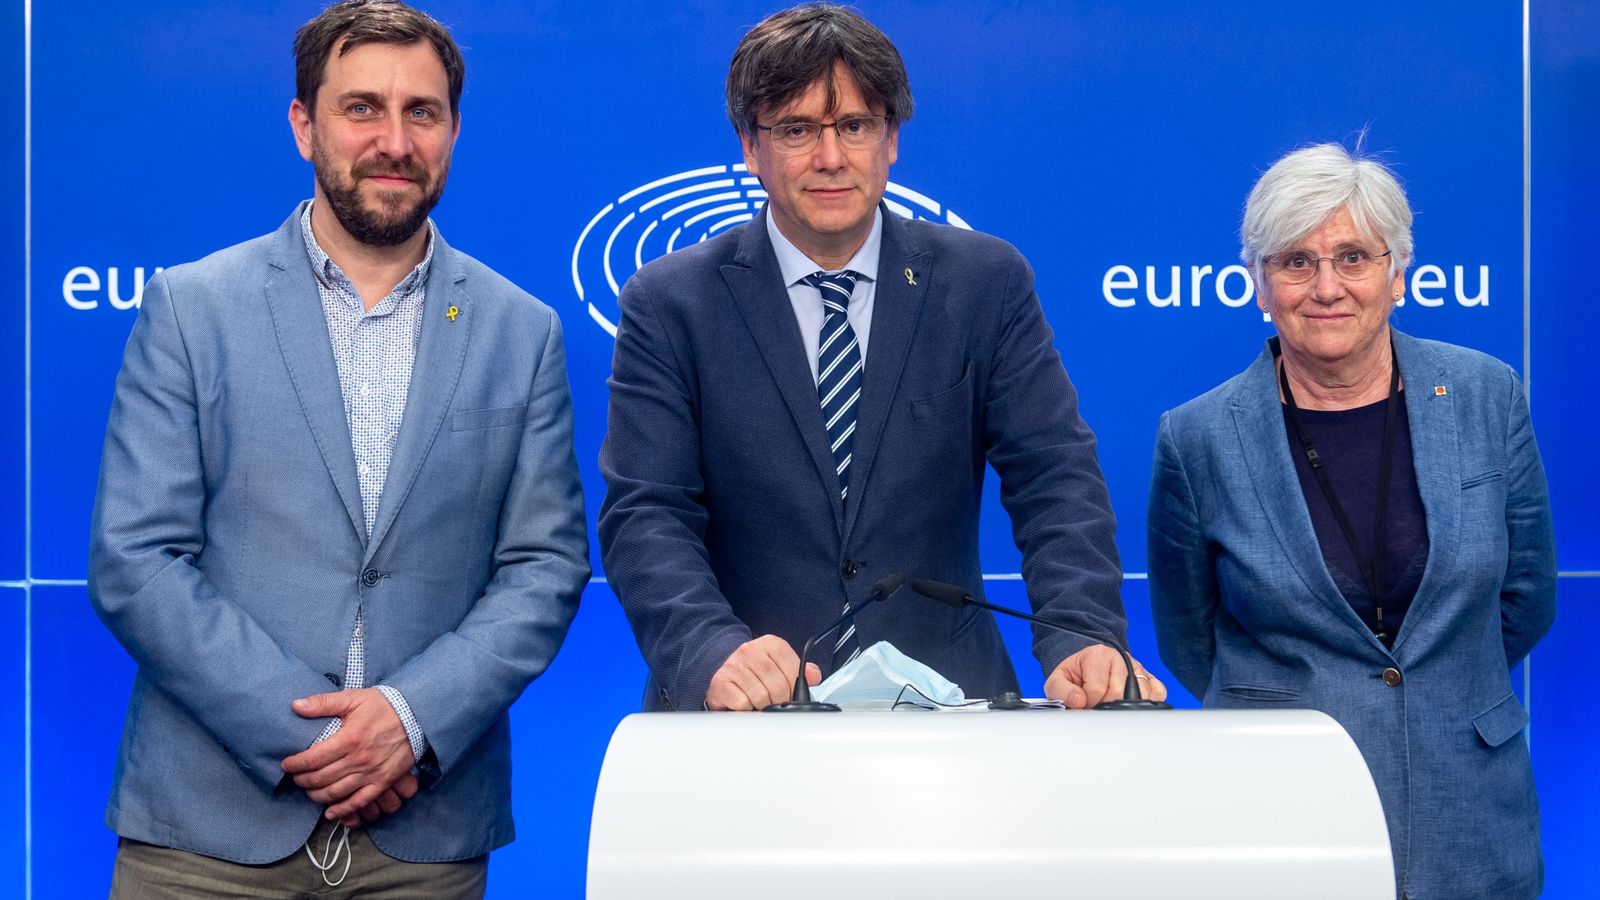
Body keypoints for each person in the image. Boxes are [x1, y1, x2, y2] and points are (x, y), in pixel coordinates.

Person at [87, 1, 588, 894]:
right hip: (202, 841)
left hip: (423, 837)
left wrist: (408, 718)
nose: (393, 140)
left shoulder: (524, 331)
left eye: (421, 113)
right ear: (303, 125)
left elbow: (544, 568)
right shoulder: (190, 309)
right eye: (362, 108)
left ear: (453, 131)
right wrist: (320, 740)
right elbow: (137, 560)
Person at [600, 2, 1163, 712]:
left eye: (856, 127)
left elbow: (1055, 477)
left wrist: (1083, 634)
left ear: (891, 139)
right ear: (750, 146)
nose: (831, 157)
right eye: (797, 129)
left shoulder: (983, 282)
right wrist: (710, 649)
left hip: (949, 711)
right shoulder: (670, 302)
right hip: (748, 715)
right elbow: (647, 512)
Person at [1148, 142, 1555, 897]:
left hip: (1470, 813)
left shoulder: (1486, 395)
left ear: (1398, 274)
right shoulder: (1198, 437)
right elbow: (1187, 633)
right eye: (1295, 262)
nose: (1326, 286)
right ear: (1259, 285)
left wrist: (1442, 686)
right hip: (1283, 821)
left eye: (1353, 257)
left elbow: (1526, 596)